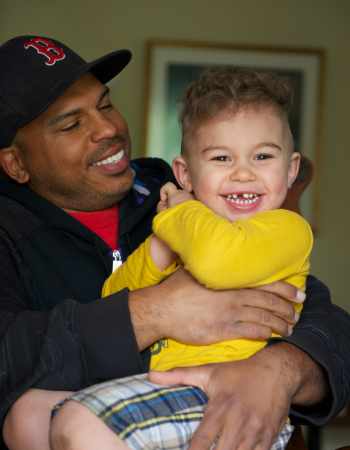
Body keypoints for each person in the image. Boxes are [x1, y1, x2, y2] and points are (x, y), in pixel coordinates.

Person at [0, 34, 348, 450]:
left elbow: (323, 316)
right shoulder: (12, 234)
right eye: (73, 124)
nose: (109, 128)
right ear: (16, 163)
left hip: (202, 405)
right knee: (28, 416)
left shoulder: (183, 198)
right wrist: (152, 313)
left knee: (78, 423)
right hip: (137, 400)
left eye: (106, 104)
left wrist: (281, 369)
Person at [50, 68, 313, 450]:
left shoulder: (286, 229)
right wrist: (158, 249)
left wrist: (175, 215)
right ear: (185, 175)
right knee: (27, 413)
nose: (243, 173)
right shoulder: (187, 233)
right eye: (222, 157)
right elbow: (113, 297)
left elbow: (216, 262)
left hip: (231, 399)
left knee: (79, 423)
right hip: (169, 386)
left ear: (290, 170)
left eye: (262, 156)